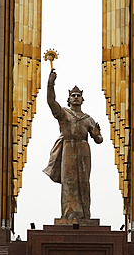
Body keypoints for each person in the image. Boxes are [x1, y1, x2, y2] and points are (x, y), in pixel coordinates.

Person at [43, 69, 103, 221]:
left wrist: (96, 133)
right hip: (68, 149)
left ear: (82, 99)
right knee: (69, 182)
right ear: (69, 99)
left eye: (78, 96)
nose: (76, 98)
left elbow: (99, 140)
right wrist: (50, 84)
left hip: (84, 150)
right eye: (73, 96)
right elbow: (51, 102)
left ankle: (84, 214)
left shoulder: (88, 119)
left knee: (83, 182)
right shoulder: (64, 113)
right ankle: (69, 214)